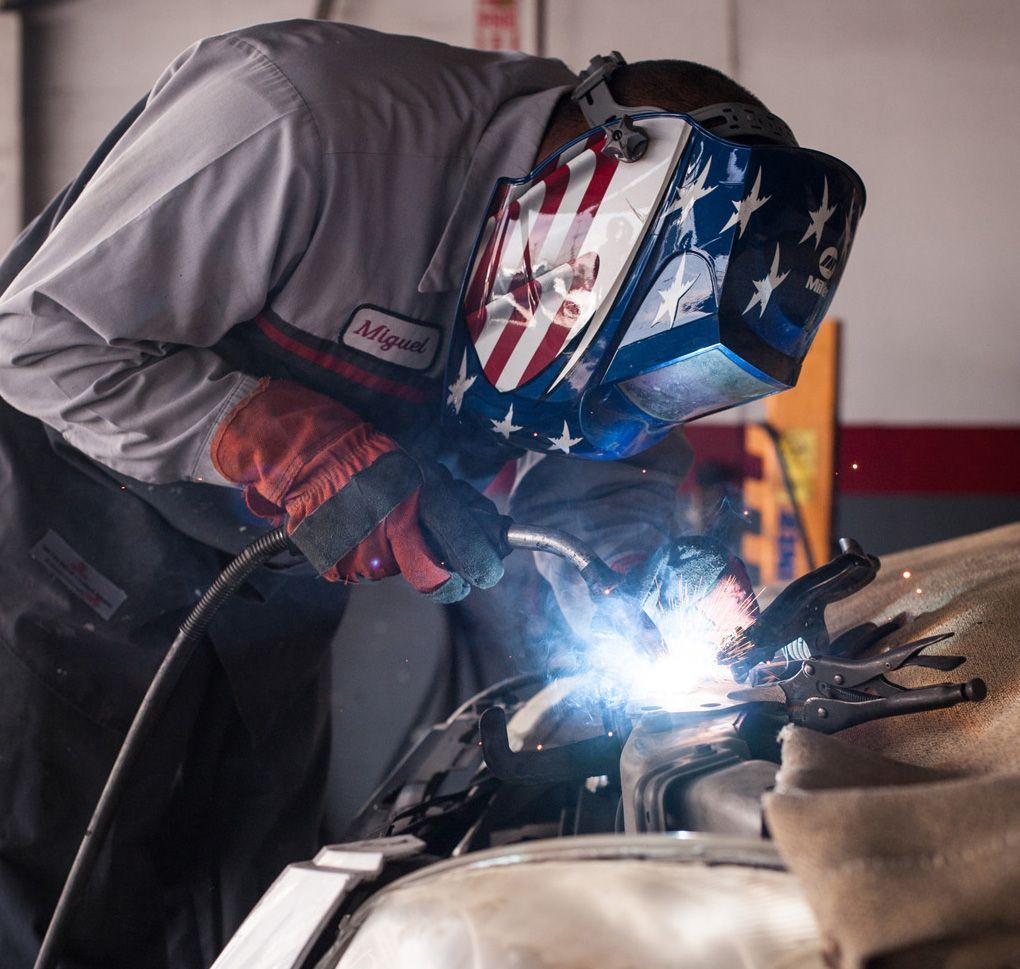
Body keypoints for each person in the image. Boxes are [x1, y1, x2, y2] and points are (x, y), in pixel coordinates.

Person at [0, 19, 863, 968]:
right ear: (590, 213)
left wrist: (651, 567)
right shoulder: (303, 124)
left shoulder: (579, 282)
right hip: (63, 563)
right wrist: (304, 450)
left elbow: (590, 450)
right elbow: (36, 339)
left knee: (255, 923)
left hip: (271, 611)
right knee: (54, 916)